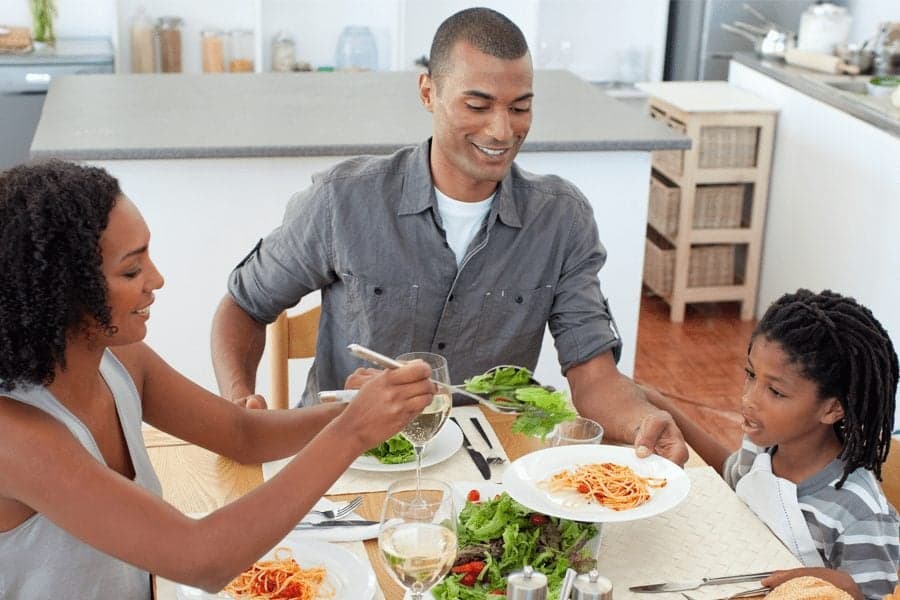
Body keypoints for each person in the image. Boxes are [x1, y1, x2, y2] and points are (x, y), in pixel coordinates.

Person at [210, 6, 688, 465]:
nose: (502, 131)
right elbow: (244, 305)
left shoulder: (561, 220)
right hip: (343, 456)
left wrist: (643, 421)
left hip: (485, 459)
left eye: (520, 108)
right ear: (427, 92)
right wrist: (238, 400)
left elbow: (594, 376)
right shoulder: (344, 200)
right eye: (477, 105)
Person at [0, 160, 435, 598]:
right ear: (61, 292)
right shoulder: (14, 434)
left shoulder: (120, 361)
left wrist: (351, 409)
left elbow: (242, 434)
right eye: (131, 271)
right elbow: (202, 560)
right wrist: (352, 430)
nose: (157, 280)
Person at [644, 289, 899, 600]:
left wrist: (833, 584)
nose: (748, 400)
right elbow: (731, 477)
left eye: (776, 392)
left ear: (832, 409)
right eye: (751, 374)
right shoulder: (762, 445)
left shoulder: (858, 514)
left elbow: (879, 595)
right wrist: (661, 405)